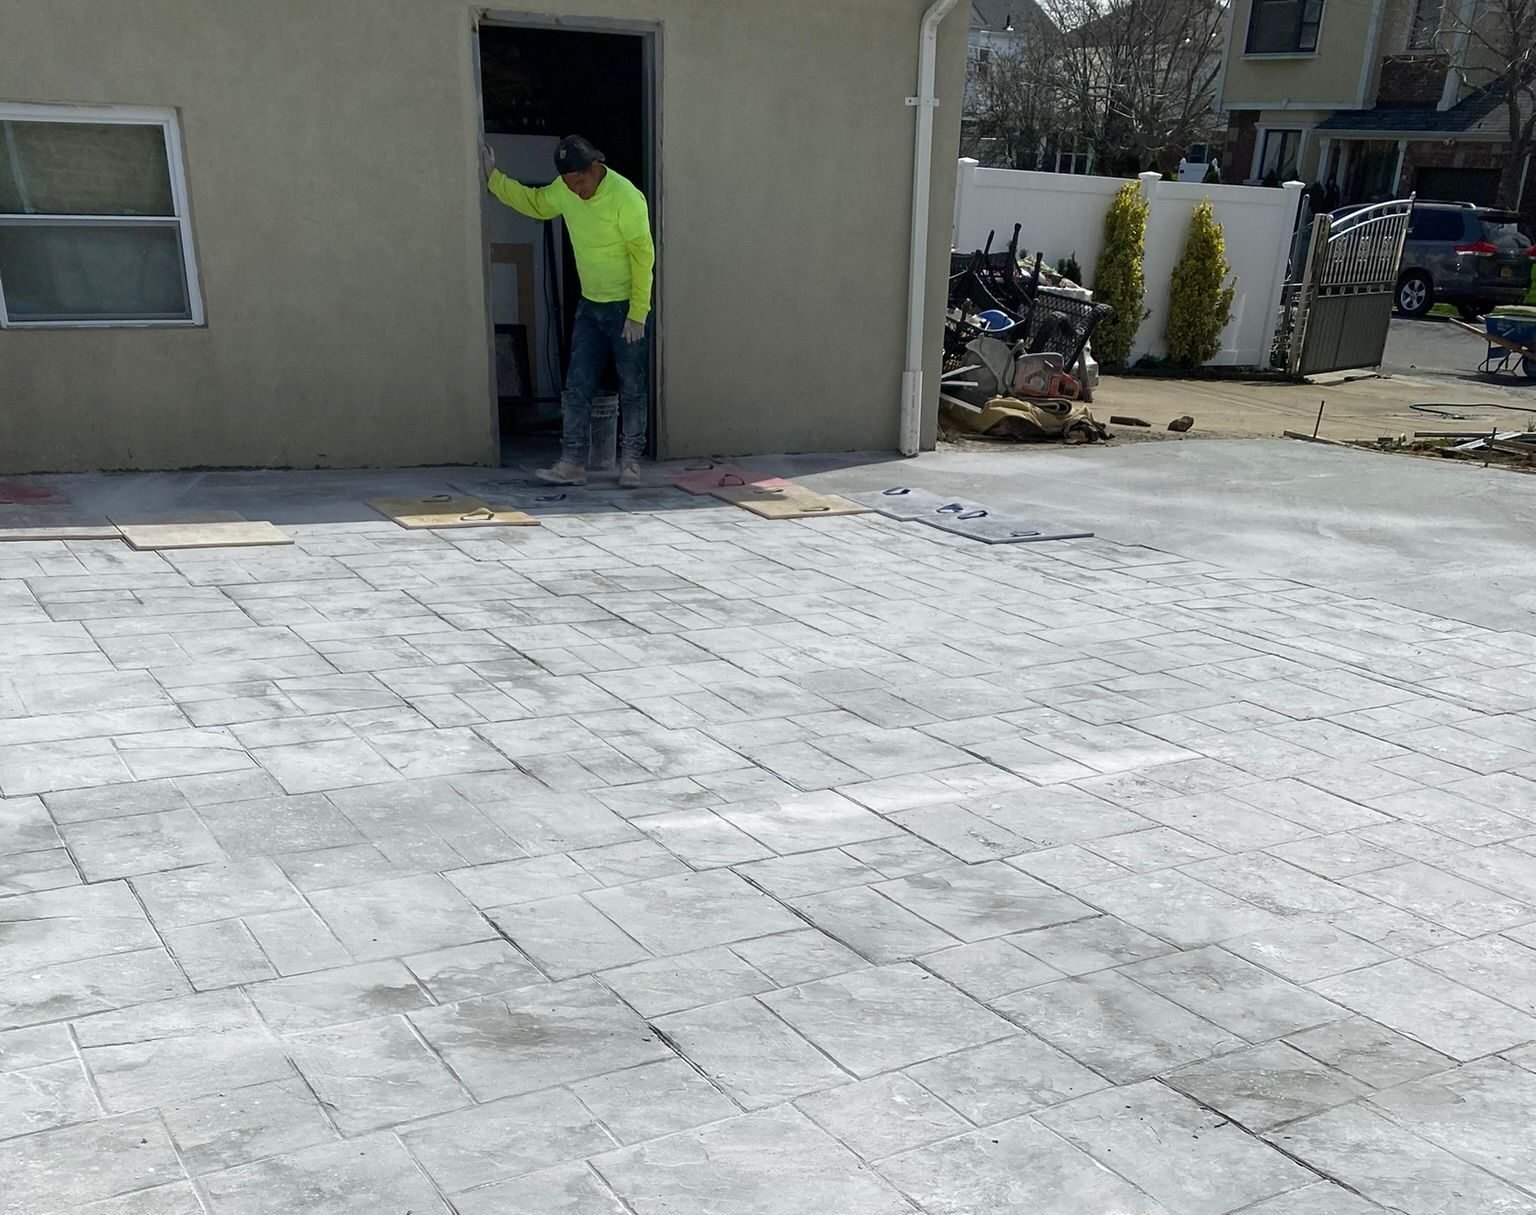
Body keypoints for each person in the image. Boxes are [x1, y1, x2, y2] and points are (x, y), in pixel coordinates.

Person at [481, 134, 654, 487]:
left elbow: (643, 255)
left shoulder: (626, 197)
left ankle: (631, 463)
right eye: (569, 184)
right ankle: (573, 462)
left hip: (625, 308)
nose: (576, 191)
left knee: (632, 386)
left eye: (580, 183)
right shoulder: (564, 190)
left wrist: (638, 312)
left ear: (595, 168)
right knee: (577, 386)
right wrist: (494, 179)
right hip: (590, 306)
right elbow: (536, 203)